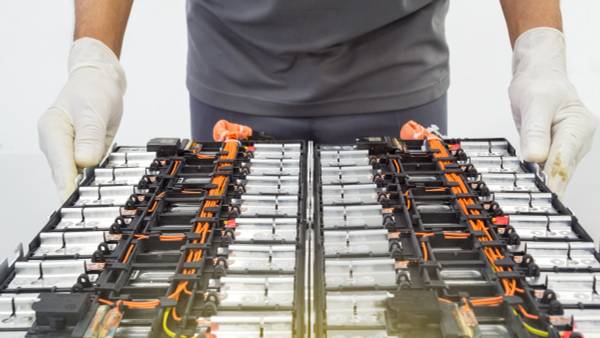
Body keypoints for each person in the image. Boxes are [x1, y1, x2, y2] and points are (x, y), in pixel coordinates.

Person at [38, 0, 596, 201]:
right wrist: (94, 60)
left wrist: (539, 51)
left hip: (398, 76)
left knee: (408, 296)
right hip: (234, 71)